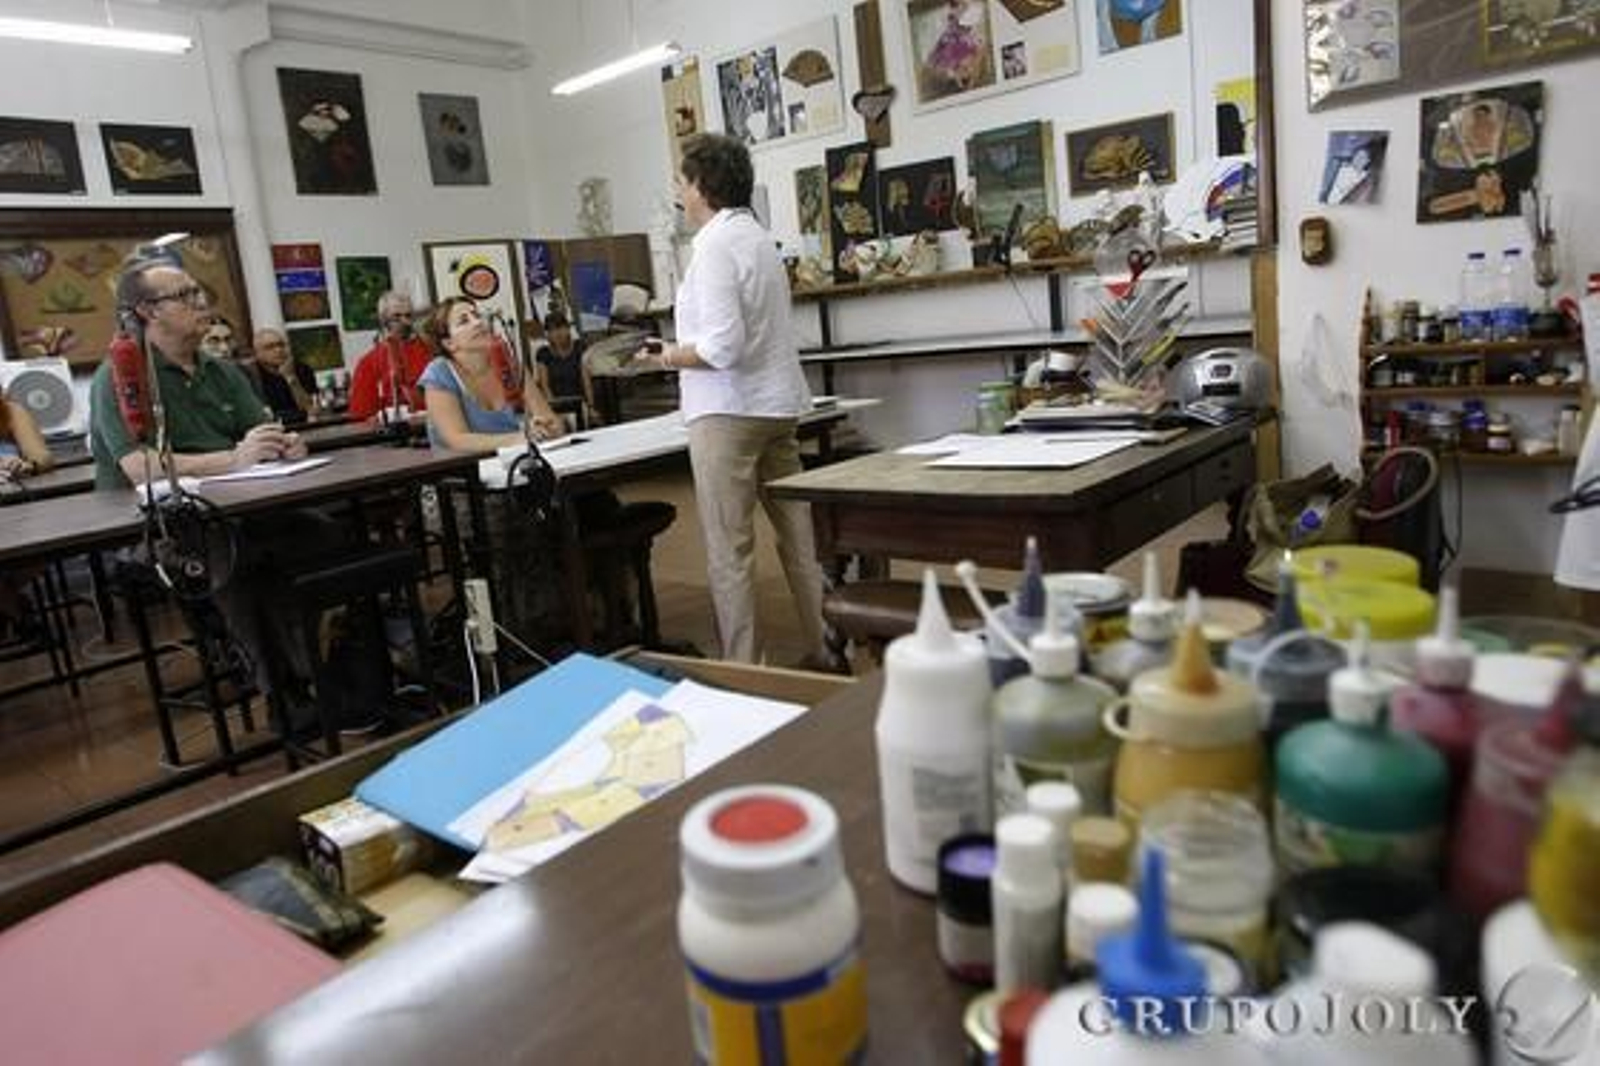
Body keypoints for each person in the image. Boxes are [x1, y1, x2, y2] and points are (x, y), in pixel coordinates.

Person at [633, 132, 828, 666]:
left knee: (730, 552)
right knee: (799, 541)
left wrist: (665, 355)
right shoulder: (758, 238)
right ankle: (826, 648)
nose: (677, 190)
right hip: (775, 407)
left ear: (702, 186)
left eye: (681, 180)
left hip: (728, 412)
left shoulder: (715, 245)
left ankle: (746, 672)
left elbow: (722, 346)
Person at [90, 256, 302, 488]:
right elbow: (141, 468)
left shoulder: (223, 370)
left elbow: (260, 432)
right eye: (185, 295)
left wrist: (283, 444)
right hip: (148, 512)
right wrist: (232, 460)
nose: (202, 302)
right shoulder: (119, 375)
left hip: (230, 494)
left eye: (199, 292)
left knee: (316, 521)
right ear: (149, 312)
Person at [418, 296, 565, 451]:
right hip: (463, 470)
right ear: (449, 343)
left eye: (477, 315)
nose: (478, 322)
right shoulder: (439, 373)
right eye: (464, 321)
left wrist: (548, 428)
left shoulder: (510, 364)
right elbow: (457, 440)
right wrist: (519, 438)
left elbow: (551, 420)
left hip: (516, 462)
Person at [348, 291, 430, 421]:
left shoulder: (430, 351)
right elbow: (362, 414)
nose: (404, 321)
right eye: (396, 316)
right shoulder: (368, 363)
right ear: (383, 319)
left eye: (408, 316)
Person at [533, 311, 594, 426]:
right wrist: (554, 410)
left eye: (560, 328)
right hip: (556, 405)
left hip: (579, 403)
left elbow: (586, 379)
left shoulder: (579, 347)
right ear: (547, 334)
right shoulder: (543, 353)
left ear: (568, 328)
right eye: (551, 330)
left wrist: (591, 406)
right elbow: (545, 385)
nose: (557, 333)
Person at [251, 326, 320, 425]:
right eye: (270, 347)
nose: (278, 350)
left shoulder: (302, 369)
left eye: (281, 345)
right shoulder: (252, 375)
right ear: (257, 353)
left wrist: (291, 378)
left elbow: (311, 409)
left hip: (303, 425)